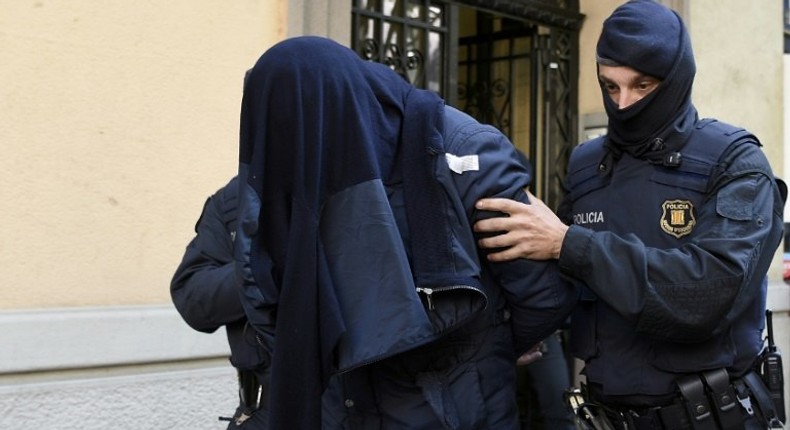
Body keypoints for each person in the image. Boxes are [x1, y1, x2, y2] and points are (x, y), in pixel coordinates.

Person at [233, 36, 577, 430]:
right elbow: (263, 284)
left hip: (450, 409)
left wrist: (475, 353)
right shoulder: (296, 168)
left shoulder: (464, 150)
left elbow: (543, 296)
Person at [474, 1, 786, 429]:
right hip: (607, 415)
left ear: (676, 80)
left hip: (709, 416)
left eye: (643, 86)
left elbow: (709, 293)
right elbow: (563, 281)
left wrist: (569, 243)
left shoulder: (735, 160)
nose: (623, 104)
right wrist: (523, 330)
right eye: (610, 86)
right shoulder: (586, 164)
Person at [171, 175, 269, 428]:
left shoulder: (372, 180)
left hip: (363, 405)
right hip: (262, 411)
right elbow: (192, 297)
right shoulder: (234, 197)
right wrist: (262, 269)